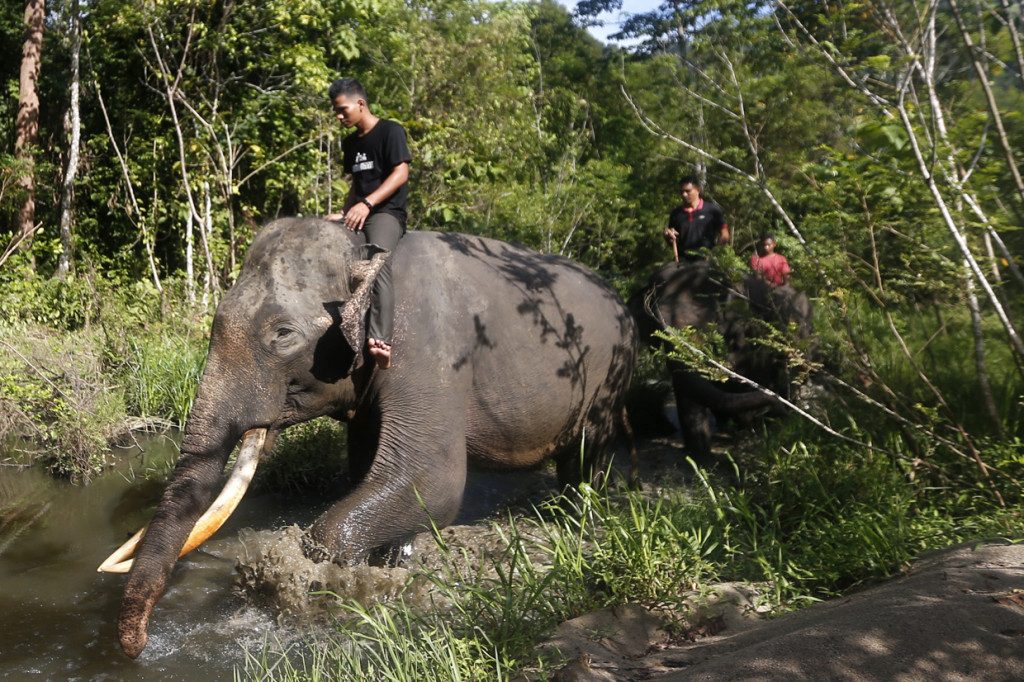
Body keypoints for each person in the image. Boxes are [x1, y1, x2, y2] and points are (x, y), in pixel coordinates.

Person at [325, 78, 411, 370]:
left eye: (343, 109)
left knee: (377, 262)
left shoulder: (390, 130)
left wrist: (368, 204)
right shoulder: (350, 143)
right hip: (361, 210)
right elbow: (356, 185)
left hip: (385, 212)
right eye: (336, 111)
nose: (339, 116)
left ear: (360, 103)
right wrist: (345, 211)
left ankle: (380, 341)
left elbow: (400, 173)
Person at [663, 175, 730, 261]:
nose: (684, 194)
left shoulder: (712, 210)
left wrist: (714, 252)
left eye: (688, 191)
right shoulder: (676, 213)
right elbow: (672, 239)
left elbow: (724, 234)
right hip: (682, 259)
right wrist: (667, 235)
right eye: (682, 191)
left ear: (698, 190)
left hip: (706, 259)